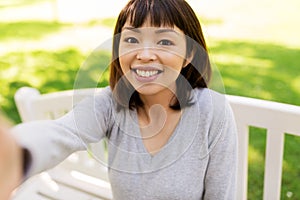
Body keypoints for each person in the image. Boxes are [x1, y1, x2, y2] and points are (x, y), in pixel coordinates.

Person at [1, 0, 238, 199]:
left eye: (164, 41)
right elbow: (61, 133)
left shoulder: (212, 110)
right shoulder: (109, 105)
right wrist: (13, 153)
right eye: (132, 40)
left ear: (189, 55)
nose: (144, 55)